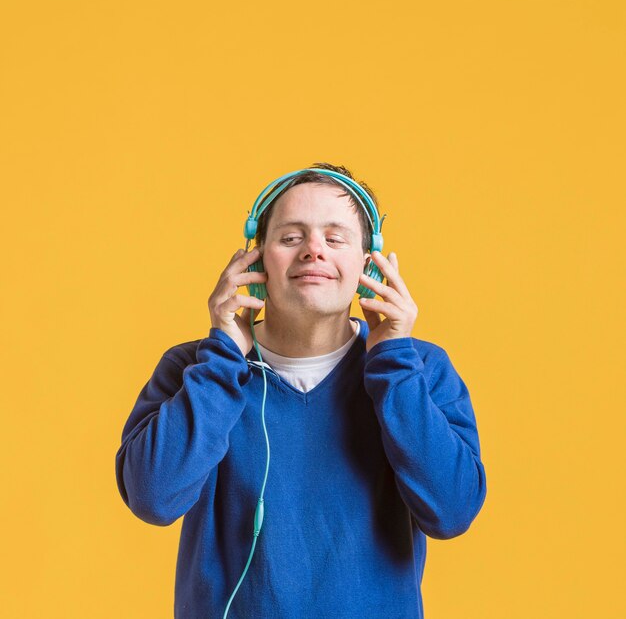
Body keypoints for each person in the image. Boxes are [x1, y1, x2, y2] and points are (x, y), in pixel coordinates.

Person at [115, 162, 487, 619]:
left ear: (368, 263)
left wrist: (393, 363)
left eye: (335, 238)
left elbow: (451, 512)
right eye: (291, 237)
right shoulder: (194, 368)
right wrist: (224, 354)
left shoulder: (420, 369)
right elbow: (153, 497)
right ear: (254, 259)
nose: (314, 251)